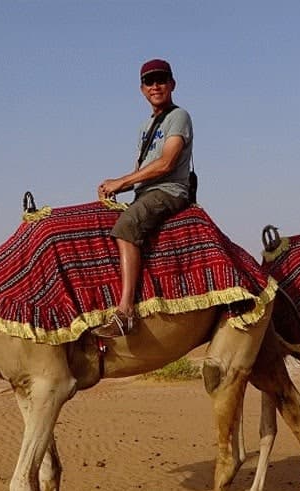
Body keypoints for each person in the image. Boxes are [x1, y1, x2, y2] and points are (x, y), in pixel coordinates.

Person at [93, 58, 193, 338]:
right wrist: (114, 188)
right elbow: (142, 171)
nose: (156, 86)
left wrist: (122, 181)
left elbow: (166, 164)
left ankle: (125, 313)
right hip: (145, 192)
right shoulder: (145, 127)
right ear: (142, 89)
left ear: (172, 84)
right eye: (149, 81)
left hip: (170, 191)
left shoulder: (179, 117)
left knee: (127, 225)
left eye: (161, 80)